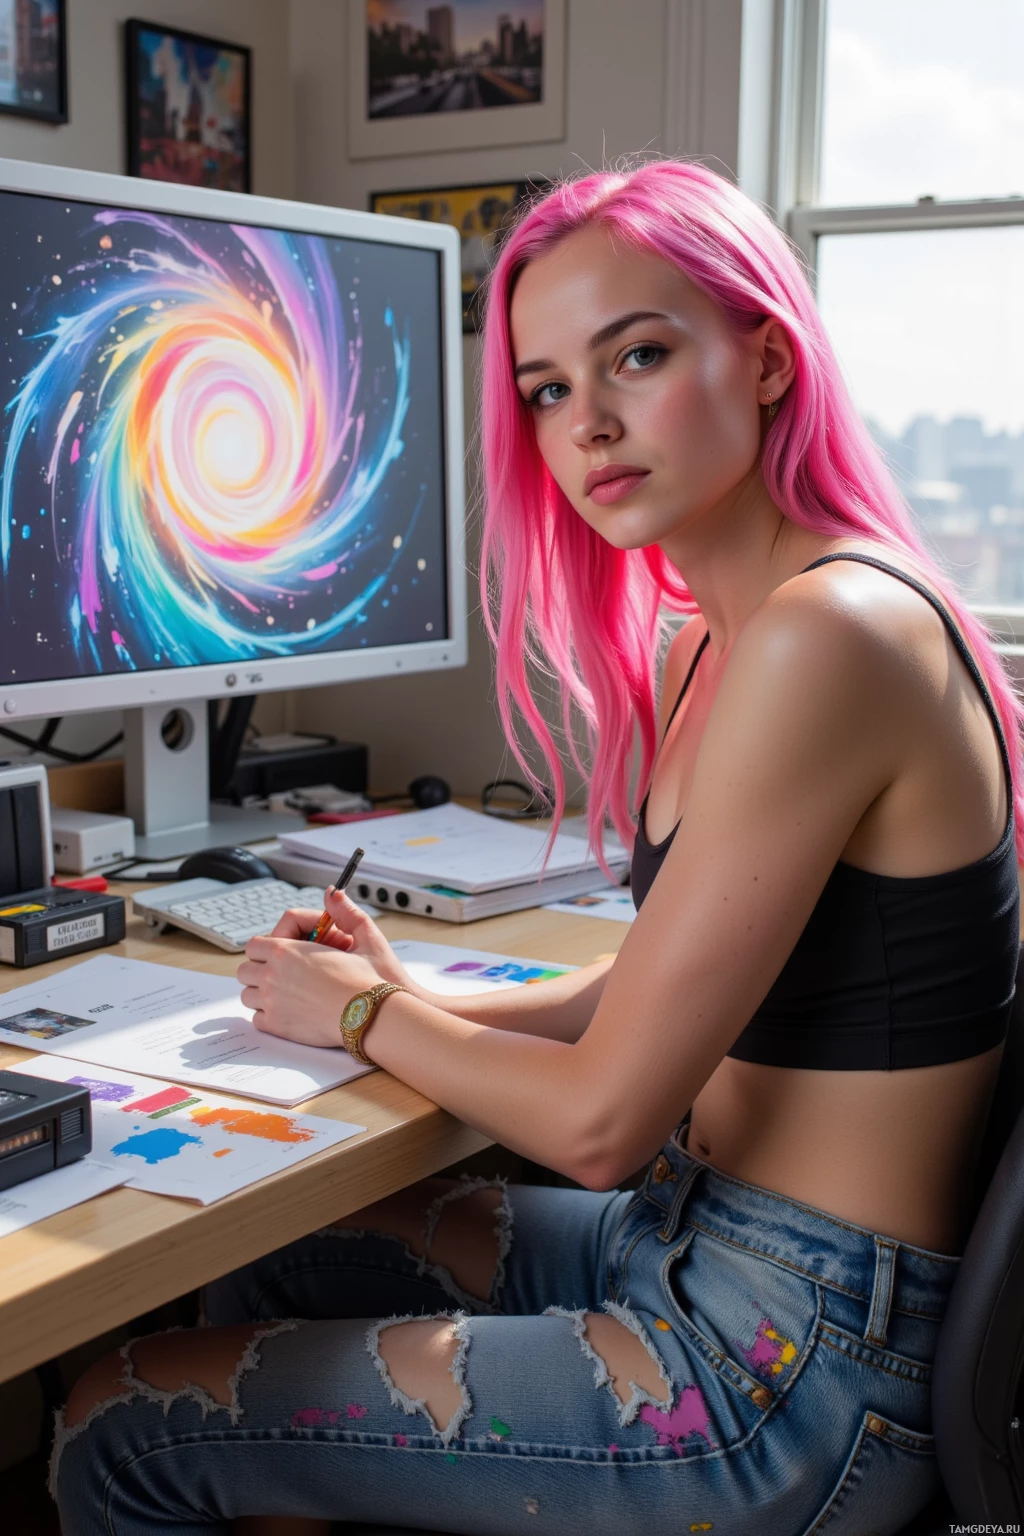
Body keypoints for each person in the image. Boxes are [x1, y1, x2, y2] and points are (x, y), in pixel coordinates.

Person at [53, 159, 1020, 1536]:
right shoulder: (715, 642)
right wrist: (410, 993)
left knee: (121, 1421)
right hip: (692, 1243)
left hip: (788, 1367)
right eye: (549, 390)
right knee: (282, 1264)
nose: (590, 425)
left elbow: (600, 1124)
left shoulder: (831, 634)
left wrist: (367, 1016)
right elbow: (654, 995)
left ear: (765, 358)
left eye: (639, 355)